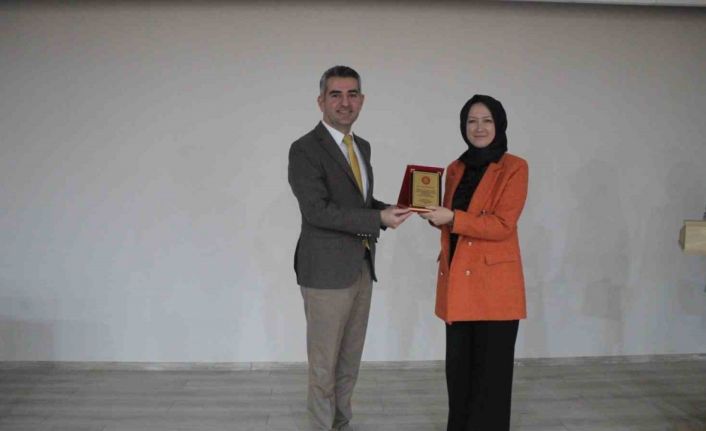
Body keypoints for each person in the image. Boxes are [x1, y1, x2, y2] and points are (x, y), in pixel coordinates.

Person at [288, 65, 412, 431]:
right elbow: (317, 210)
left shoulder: (362, 146)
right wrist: (377, 218)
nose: (345, 102)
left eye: (352, 94)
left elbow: (360, 202)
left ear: (362, 100)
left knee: (349, 359)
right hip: (325, 272)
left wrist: (389, 209)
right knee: (324, 363)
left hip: (361, 266)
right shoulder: (305, 149)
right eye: (336, 94)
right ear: (321, 101)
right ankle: (321, 426)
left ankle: (341, 423)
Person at [419, 94, 528, 431]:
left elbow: (502, 225)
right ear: (463, 126)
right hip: (458, 285)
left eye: (487, 121)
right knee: (459, 377)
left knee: (490, 383)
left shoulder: (515, 167)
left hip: (494, 290)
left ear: (500, 125)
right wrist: (434, 216)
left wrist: (452, 217)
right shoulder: (455, 168)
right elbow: (453, 223)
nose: (479, 128)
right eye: (472, 121)